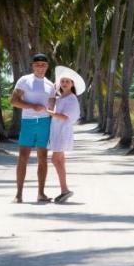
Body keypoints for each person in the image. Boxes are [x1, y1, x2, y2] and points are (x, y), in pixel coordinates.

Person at [10, 53, 55, 203]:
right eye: (37, 65)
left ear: (47, 66)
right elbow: (14, 101)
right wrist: (32, 106)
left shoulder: (51, 85)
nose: (40, 68)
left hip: (44, 123)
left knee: (43, 158)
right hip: (28, 122)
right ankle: (18, 194)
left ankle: (41, 194)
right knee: (23, 157)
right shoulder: (24, 80)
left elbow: (52, 107)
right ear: (33, 66)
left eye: (43, 65)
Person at [47, 66, 84, 203]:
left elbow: (65, 117)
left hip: (62, 132)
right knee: (59, 160)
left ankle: (65, 189)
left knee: (56, 160)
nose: (64, 84)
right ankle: (64, 190)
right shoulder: (61, 97)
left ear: (72, 84)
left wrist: (49, 112)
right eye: (62, 81)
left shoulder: (72, 98)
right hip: (56, 131)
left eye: (67, 81)